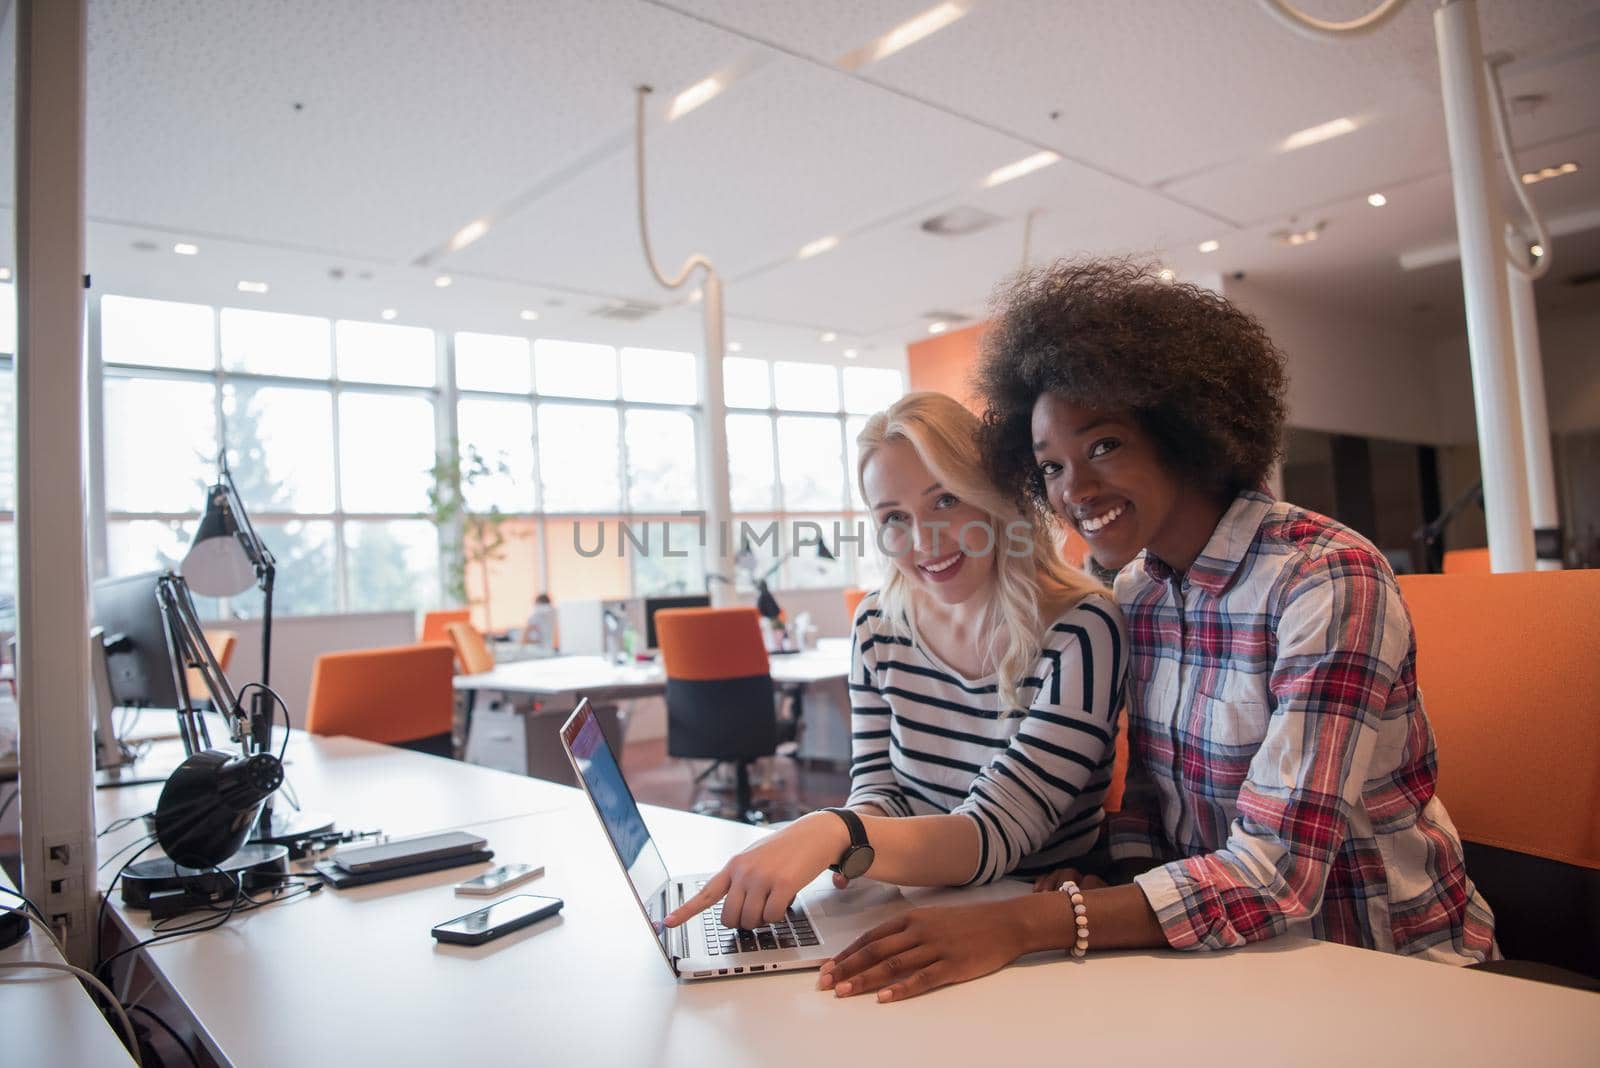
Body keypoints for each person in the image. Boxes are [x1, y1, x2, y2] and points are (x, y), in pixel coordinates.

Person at [818, 259, 1496, 1004]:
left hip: (1381, 964)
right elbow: (1148, 800)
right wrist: (1110, 875)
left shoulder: (1324, 580)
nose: (1072, 490)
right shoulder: (1137, 590)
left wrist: (1032, 922)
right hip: (1219, 965)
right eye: (1049, 467)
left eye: (1103, 445)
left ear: (1184, 428)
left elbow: (1275, 873)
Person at [664, 391, 1124, 936]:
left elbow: (995, 832)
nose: (923, 540)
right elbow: (879, 792)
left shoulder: (1082, 628)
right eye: (894, 517)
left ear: (994, 496)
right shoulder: (877, 625)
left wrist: (836, 833)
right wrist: (844, 837)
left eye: (946, 501)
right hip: (922, 905)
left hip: (1028, 923)